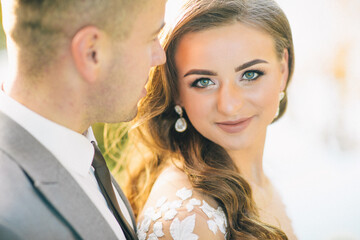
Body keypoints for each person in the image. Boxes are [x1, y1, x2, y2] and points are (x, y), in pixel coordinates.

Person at [115, 0, 297, 239]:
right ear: (176, 91)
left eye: (250, 75)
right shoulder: (187, 220)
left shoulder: (256, 179)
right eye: (204, 81)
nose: (230, 105)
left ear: (282, 70)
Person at [0, 0, 166, 239]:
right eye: (152, 37)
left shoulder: (82, 151)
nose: (159, 56)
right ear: (92, 53)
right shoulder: (11, 223)